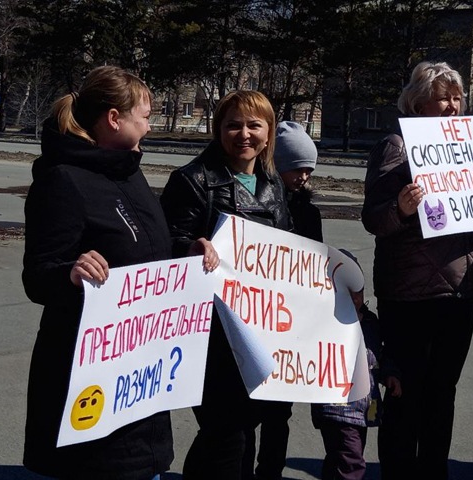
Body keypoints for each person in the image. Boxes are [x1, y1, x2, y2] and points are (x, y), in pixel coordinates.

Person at [21, 65, 211, 479]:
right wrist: (71, 273)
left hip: (140, 380)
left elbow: (149, 248)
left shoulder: (130, 172)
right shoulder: (63, 180)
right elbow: (37, 275)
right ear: (114, 119)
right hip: (88, 381)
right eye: (145, 116)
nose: (149, 125)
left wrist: (187, 251)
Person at [361, 60, 473, 480]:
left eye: (457, 97)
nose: (453, 106)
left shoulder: (471, 145)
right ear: (418, 103)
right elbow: (374, 218)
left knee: (442, 395)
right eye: (443, 98)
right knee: (406, 396)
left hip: (460, 292)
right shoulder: (396, 145)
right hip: (410, 295)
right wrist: (400, 208)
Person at [159, 90, 292, 479]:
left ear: (269, 132)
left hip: (262, 328)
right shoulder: (193, 180)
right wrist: (189, 247)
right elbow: (164, 244)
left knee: (242, 429)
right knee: (226, 432)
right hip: (212, 333)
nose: (244, 134)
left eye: (254, 125)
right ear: (218, 130)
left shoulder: (273, 183)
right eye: (233, 125)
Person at [241, 120, 322, 480]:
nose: (303, 177)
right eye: (297, 169)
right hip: (254, 317)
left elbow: (316, 261)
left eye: (309, 170)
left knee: (279, 413)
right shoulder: (254, 202)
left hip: (289, 325)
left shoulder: (308, 212)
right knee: (245, 413)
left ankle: (270, 471)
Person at [311, 249, 401, 480]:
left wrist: (389, 374)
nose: (353, 298)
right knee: (351, 461)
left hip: (362, 407)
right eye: (343, 291)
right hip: (336, 407)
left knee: (339, 457)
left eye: (357, 290)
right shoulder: (324, 324)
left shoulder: (370, 322)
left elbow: (379, 353)